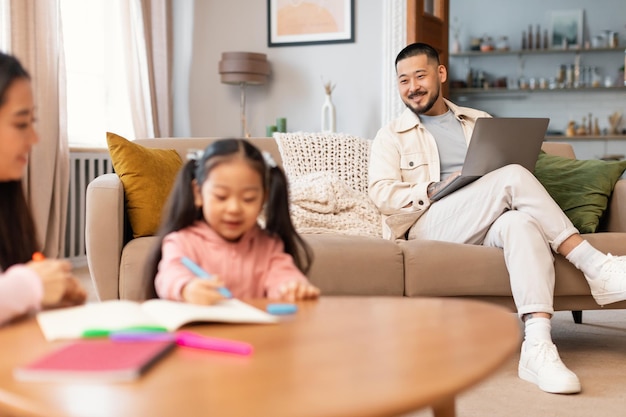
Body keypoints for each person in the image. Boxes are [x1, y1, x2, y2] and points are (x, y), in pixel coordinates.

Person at [368, 42, 626, 395]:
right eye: (403, 80)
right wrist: (430, 189)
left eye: (420, 75)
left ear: (440, 74)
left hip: (486, 218)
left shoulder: (480, 121)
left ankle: (537, 346)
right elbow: (381, 194)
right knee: (513, 176)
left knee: (521, 225)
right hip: (429, 222)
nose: (412, 86)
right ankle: (595, 265)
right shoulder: (391, 136)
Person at [147, 138, 320, 304]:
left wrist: (292, 288)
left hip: (252, 333)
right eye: (221, 197)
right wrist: (187, 288)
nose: (234, 208)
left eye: (248, 198)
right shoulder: (182, 242)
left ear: (264, 199)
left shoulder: (269, 246)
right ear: (198, 193)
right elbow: (169, 274)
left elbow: (284, 276)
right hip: (201, 332)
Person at [0, 51, 86, 326]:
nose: (34, 138)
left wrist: (45, 295)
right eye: (21, 123)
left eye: (32, 123)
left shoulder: (7, 200)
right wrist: (29, 285)